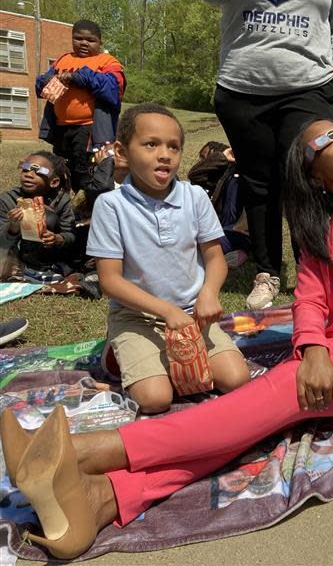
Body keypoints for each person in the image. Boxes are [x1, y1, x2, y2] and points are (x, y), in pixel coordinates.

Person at [0, 117, 333, 559]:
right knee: (261, 413)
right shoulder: (318, 223)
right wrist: (310, 349)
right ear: (311, 172)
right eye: (325, 140)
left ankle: (93, 449)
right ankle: (103, 499)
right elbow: (309, 299)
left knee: (266, 401)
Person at [191, 0, 333, 310]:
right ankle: (267, 273)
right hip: (243, 90)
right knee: (258, 183)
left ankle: (315, 270)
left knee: (307, 180)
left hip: (309, 87)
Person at [86, 104, 252, 414]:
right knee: (155, 398)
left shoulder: (195, 197)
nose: (165, 154)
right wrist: (166, 311)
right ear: (122, 151)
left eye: (173, 146)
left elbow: (215, 258)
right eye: (151, 144)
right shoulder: (111, 206)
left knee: (236, 378)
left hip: (193, 315)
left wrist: (208, 293)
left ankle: (148, 361)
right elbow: (110, 280)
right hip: (138, 316)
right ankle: (118, 348)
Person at [35, 19, 125, 200]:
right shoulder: (63, 59)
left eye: (90, 40)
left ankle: (89, 208)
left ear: (100, 42)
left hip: (90, 129)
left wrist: (80, 77)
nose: (83, 43)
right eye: (78, 38)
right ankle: (66, 207)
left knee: (86, 171)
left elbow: (115, 89)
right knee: (62, 169)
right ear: (72, 39)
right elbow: (40, 85)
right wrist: (48, 80)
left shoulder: (107, 61)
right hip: (61, 128)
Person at [0, 151, 75, 279]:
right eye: (25, 170)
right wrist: (13, 227)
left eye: (38, 172)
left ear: (54, 182)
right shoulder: (8, 200)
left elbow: (70, 234)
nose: (29, 175)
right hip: (15, 257)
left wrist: (57, 238)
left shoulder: (61, 200)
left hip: (49, 256)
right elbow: (2, 241)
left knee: (50, 218)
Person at [187, 142, 249, 270]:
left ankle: (235, 252)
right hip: (220, 232)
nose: (202, 162)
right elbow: (194, 175)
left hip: (237, 233)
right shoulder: (216, 180)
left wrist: (221, 158)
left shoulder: (238, 175)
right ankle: (234, 255)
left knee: (193, 249)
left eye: (205, 158)